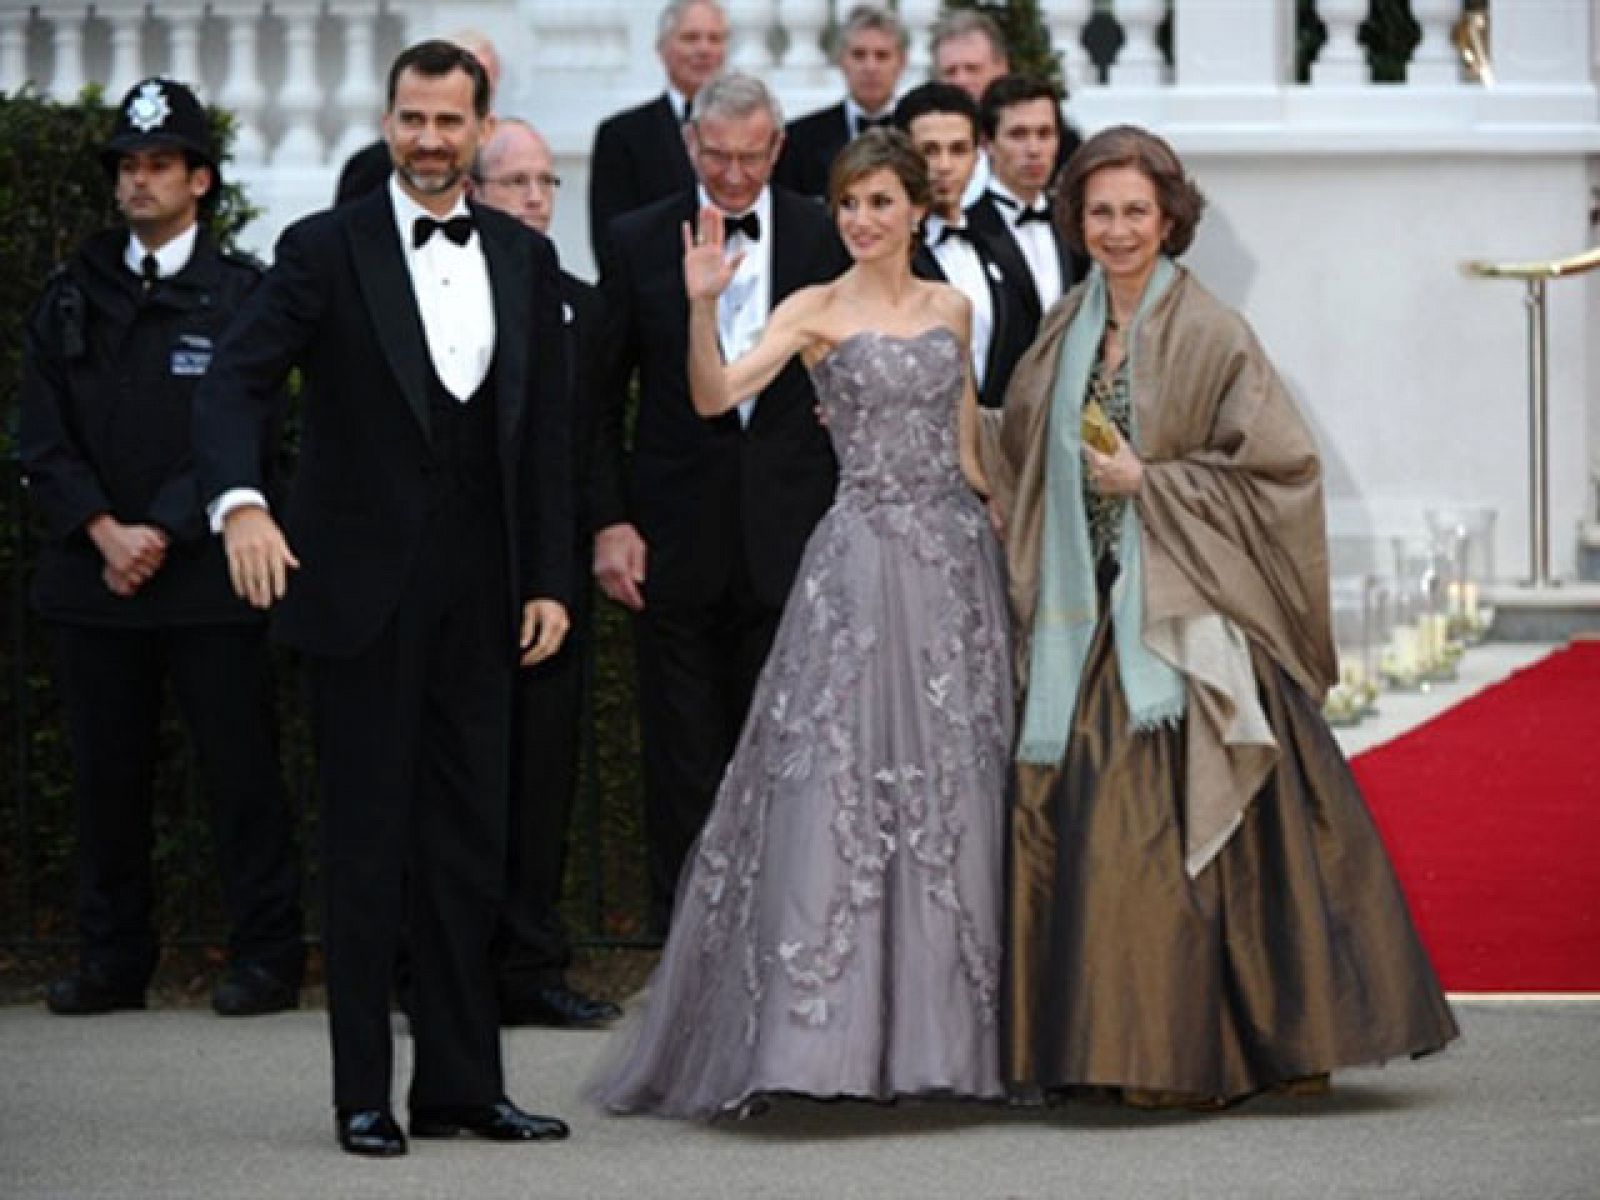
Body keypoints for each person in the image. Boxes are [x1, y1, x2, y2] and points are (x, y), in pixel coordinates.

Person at [982, 125, 1459, 1107]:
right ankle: (1094, 1043)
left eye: (1134, 213)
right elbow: (1020, 450)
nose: (1116, 230)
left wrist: (1150, 479)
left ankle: (1179, 1053)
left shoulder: (1211, 333)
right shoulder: (1062, 328)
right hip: (1081, 622)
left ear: (1169, 220)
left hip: (1182, 621)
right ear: (1076, 219)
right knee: (1075, 812)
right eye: (1099, 211)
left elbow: (1282, 470)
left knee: (1153, 825)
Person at [193, 41, 574, 1156]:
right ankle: (363, 1091)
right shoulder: (321, 248)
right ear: (390, 119)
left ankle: (461, 1086)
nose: (427, 139)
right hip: (357, 598)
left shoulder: (518, 254)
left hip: (486, 598)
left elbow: (545, 439)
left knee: (470, 846)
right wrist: (241, 504)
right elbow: (234, 382)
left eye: (448, 122)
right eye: (411, 118)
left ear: (480, 126)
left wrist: (550, 577)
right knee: (365, 849)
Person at [591, 128, 1012, 1118]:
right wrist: (701, 305)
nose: (863, 222)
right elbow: (711, 395)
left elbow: (971, 455)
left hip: (952, 569)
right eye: (850, 204)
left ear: (916, 208)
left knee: (954, 790)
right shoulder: (811, 310)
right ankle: (822, 1042)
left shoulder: (953, 306)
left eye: (880, 203)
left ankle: (948, 1038)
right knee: (839, 789)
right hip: (859, 567)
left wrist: (1028, 519)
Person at [19, 77, 305, 1019]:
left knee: (240, 774)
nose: (139, 183)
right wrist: (104, 530)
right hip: (95, 578)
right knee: (107, 781)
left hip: (204, 577)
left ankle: (265, 957)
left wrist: (164, 527)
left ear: (201, 180)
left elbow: (248, 427)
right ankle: (112, 961)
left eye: (159, 166)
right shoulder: (71, 292)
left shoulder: (242, 295)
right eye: (129, 167)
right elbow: (42, 433)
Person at [592, 72, 848, 935]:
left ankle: (785, 943)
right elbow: (594, 399)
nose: (734, 177)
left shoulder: (825, 233)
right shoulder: (635, 240)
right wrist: (610, 520)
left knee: (789, 753)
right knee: (681, 757)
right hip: (675, 539)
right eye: (718, 157)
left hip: (796, 537)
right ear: (692, 147)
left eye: (751, 157)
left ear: (778, 149)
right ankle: (688, 953)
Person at [471, 118, 621, 1029]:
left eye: (545, 183)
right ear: (477, 193)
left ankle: (528, 966)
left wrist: (603, 533)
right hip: (454, 575)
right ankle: (440, 966)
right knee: (453, 778)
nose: (534, 197)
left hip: (552, 578)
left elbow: (597, 435)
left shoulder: (582, 304)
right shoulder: (435, 294)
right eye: (515, 182)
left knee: (541, 776)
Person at [894, 82, 1029, 410]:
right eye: (929, 151)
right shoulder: (885, 253)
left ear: (978, 153)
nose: (943, 166)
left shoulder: (998, 244)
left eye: (958, 150)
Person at [588, 0, 728, 264]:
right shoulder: (621, 135)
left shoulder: (750, 132)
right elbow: (608, 237)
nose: (704, 49)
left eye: (715, 39)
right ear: (661, 49)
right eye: (690, 38)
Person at [967, 75, 1082, 354]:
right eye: (1018, 135)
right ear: (987, 144)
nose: (1034, 150)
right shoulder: (966, 228)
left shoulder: (1073, 223)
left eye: (1045, 134)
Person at [334, 29, 502, 206]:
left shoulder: (511, 153)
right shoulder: (369, 168)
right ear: (387, 124)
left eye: (448, 122)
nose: (430, 142)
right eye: (413, 120)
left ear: (485, 129)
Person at [773, 4, 907, 199]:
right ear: (841, 60)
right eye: (859, 55)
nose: (870, 67)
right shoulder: (799, 139)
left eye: (882, 56)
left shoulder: (919, 134)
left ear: (901, 62)